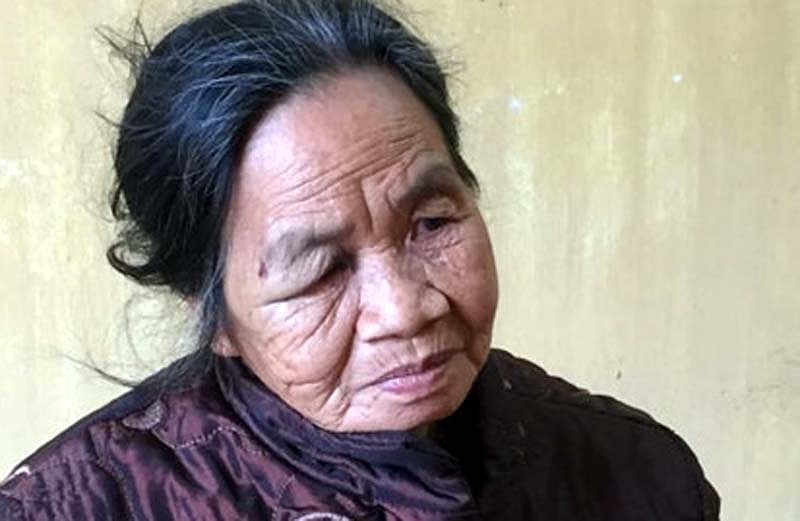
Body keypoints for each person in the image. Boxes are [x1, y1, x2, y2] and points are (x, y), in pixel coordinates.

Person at [0, 1, 720, 519]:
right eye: (321, 271)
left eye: (432, 223)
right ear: (211, 311)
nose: (407, 309)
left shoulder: (637, 476)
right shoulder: (81, 506)